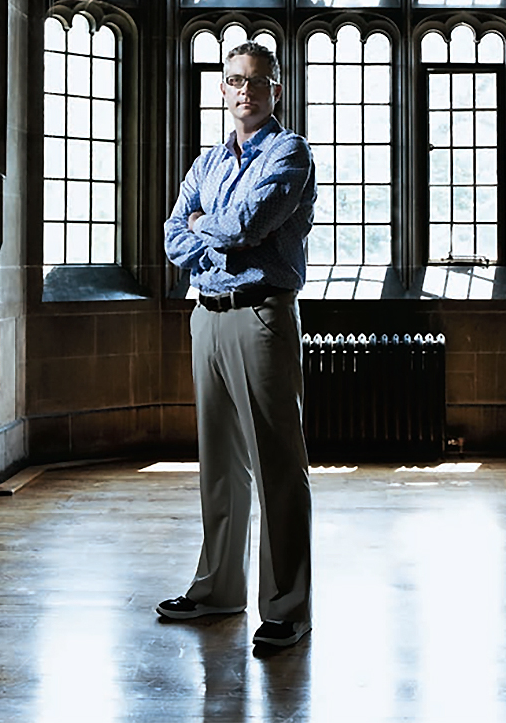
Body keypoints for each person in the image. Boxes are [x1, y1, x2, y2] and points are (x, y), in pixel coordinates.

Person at [159, 41, 316, 649]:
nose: (244, 90)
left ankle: (286, 608)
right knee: (220, 465)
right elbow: (175, 238)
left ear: (275, 89)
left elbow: (249, 225)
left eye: (256, 81)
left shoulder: (289, 152)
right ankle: (218, 590)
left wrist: (205, 226)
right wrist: (205, 229)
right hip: (207, 316)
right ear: (221, 90)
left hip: (262, 317)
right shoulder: (205, 162)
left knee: (278, 463)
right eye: (233, 81)